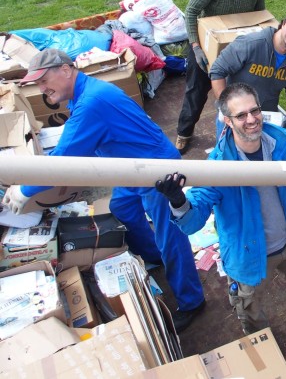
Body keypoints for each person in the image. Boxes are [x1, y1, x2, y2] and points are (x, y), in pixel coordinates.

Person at [1, 49, 205, 332]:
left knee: (171, 237)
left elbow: (62, 163)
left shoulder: (91, 103)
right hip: (130, 167)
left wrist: (25, 190)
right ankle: (153, 256)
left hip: (157, 173)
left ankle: (192, 301)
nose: (42, 88)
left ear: (66, 70)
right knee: (122, 207)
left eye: (44, 79)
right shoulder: (84, 95)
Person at [155, 82, 286, 335]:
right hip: (247, 252)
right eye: (241, 115)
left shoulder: (276, 139)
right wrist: (178, 201)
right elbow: (193, 222)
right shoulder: (218, 167)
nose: (251, 120)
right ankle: (261, 341)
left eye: (254, 111)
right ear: (227, 120)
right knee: (249, 308)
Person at [175, 0, 266, 153]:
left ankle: (236, 138)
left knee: (237, 95)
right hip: (206, 46)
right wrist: (196, 47)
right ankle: (184, 133)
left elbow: (259, 14)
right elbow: (191, 11)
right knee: (196, 92)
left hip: (236, 48)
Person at [209, 8, 286, 137]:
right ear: (284, 23)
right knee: (228, 155)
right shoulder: (251, 44)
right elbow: (218, 70)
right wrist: (225, 107)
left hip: (264, 120)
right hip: (235, 116)